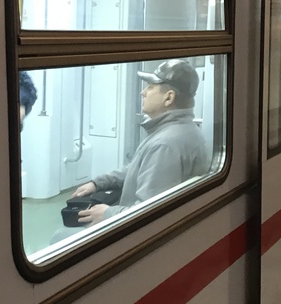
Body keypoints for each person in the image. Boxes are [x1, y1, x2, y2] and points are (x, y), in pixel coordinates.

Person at [72, 59, 210, 226]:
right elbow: (138, 168)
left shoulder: (165, 145)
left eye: (150, 87)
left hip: (135, 233)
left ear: (168, 98)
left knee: (60, 237)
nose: (143, 92)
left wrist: (107, 213)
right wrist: (99, 183)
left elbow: (150, 213)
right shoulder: (178, 130)